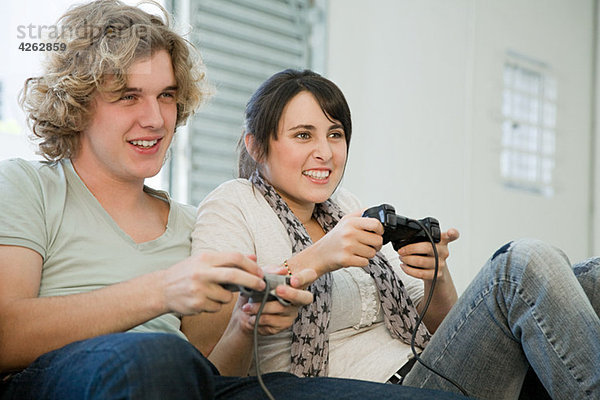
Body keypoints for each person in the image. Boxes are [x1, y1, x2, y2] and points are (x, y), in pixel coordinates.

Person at [0, 2, 472, 400]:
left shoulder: (195, 225)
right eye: (128, 96)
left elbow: (216, 373)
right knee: (159, 357)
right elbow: (5, 333)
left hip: (187, 382)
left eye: (166, 96)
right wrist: (161, 291)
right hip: (63, 377)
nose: (155, 118)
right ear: (77, 102)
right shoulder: (28, 187)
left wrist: (245, 325)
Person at [190, 68, 600, 399]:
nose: (326, 152)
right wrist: (317, 258)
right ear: (257, 146)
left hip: (430, 370)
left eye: (335, 134)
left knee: (591, 277)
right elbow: (210, 366)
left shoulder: (343, 207)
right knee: (520, 264)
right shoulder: (234, 203)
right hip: (380, 388)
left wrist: (436, 276)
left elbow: (439, 330)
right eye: (303, 135)